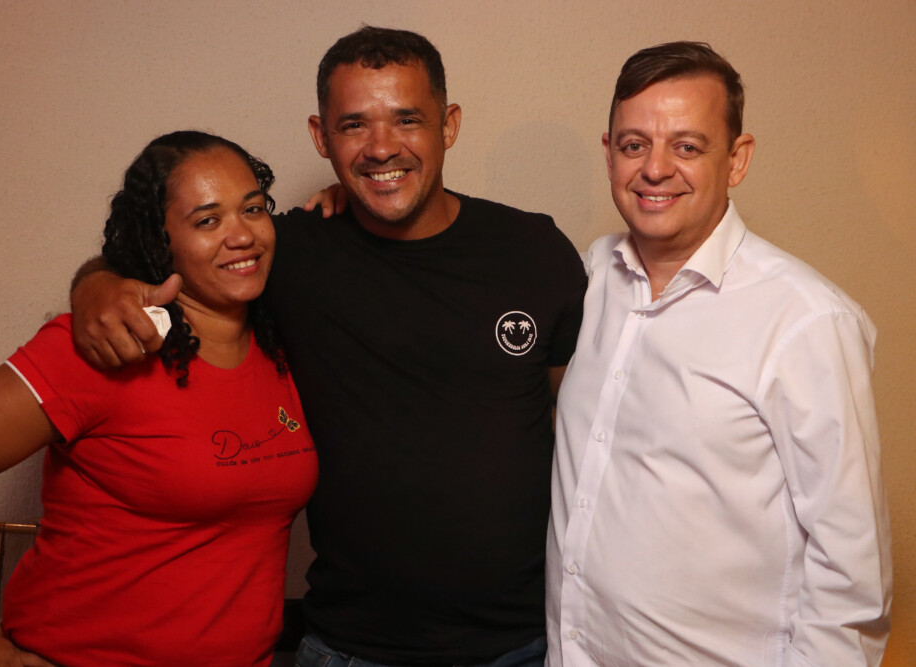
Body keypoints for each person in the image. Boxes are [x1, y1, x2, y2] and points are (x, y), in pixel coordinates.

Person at [71, 27, 587, 666]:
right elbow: (155, 257)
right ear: (321, 137)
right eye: (354, 126)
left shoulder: (533, 249)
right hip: (348, 647)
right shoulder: (287, 253)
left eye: (407, 119)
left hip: (522, 644)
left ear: (449, 125)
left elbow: (585, 430)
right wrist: (96, 286)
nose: (382, 147)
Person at [0, 130, 318, 667]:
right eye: (207, 220)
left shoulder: (283, 345)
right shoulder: (107, 342)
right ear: (159, 239)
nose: (241, 235)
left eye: (252, 209)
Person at [546, 41, 892, 665]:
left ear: (737, 159)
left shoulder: (806, 322)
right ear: (609, 154)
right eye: (634, 145)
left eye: (687, 147)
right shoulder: (590, 278)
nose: (655, 169)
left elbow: (851, 576)